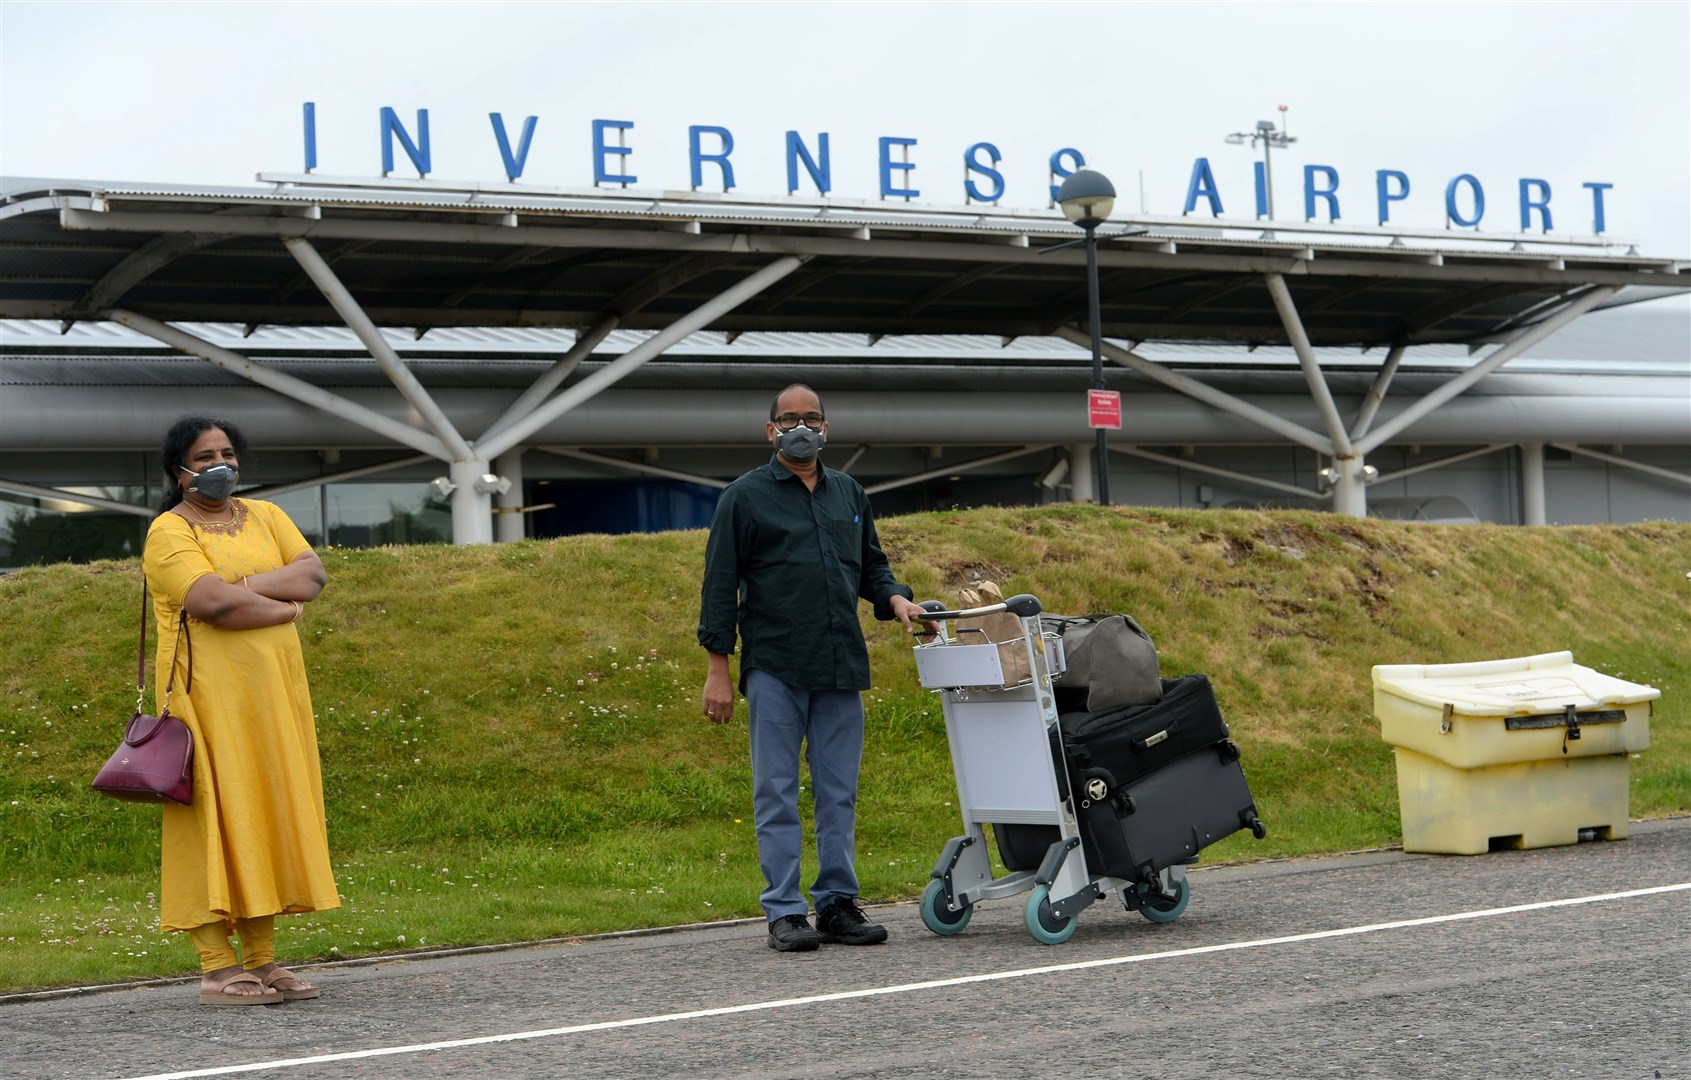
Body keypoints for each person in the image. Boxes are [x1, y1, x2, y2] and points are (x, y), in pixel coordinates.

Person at [699, 384, 934, 953]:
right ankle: (784, 912)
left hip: (839, 665)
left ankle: (836, 904)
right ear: (770, 430)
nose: (800, 427)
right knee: (775, 791)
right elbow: (720, 585)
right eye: (788, 419)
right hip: (776, 664)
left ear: (826, 428)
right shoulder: (744, 498)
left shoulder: (848, 492)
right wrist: (718, 669)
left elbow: (871, 567)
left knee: (838, 793)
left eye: (811, 418)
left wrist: (897, 600)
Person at [141, 416, 339, 1005]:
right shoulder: (168, 532)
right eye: (204, 457)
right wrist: (280, 608)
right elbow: (209, 601)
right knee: (212, 820)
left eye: (227, 453)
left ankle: (261, 959)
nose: (218, 465)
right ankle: (215, 966)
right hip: (203, 700)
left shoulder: (269, 517)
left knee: (260, 813)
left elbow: (312, 575)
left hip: (272, 696)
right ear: (179, 470)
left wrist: (247, 586)